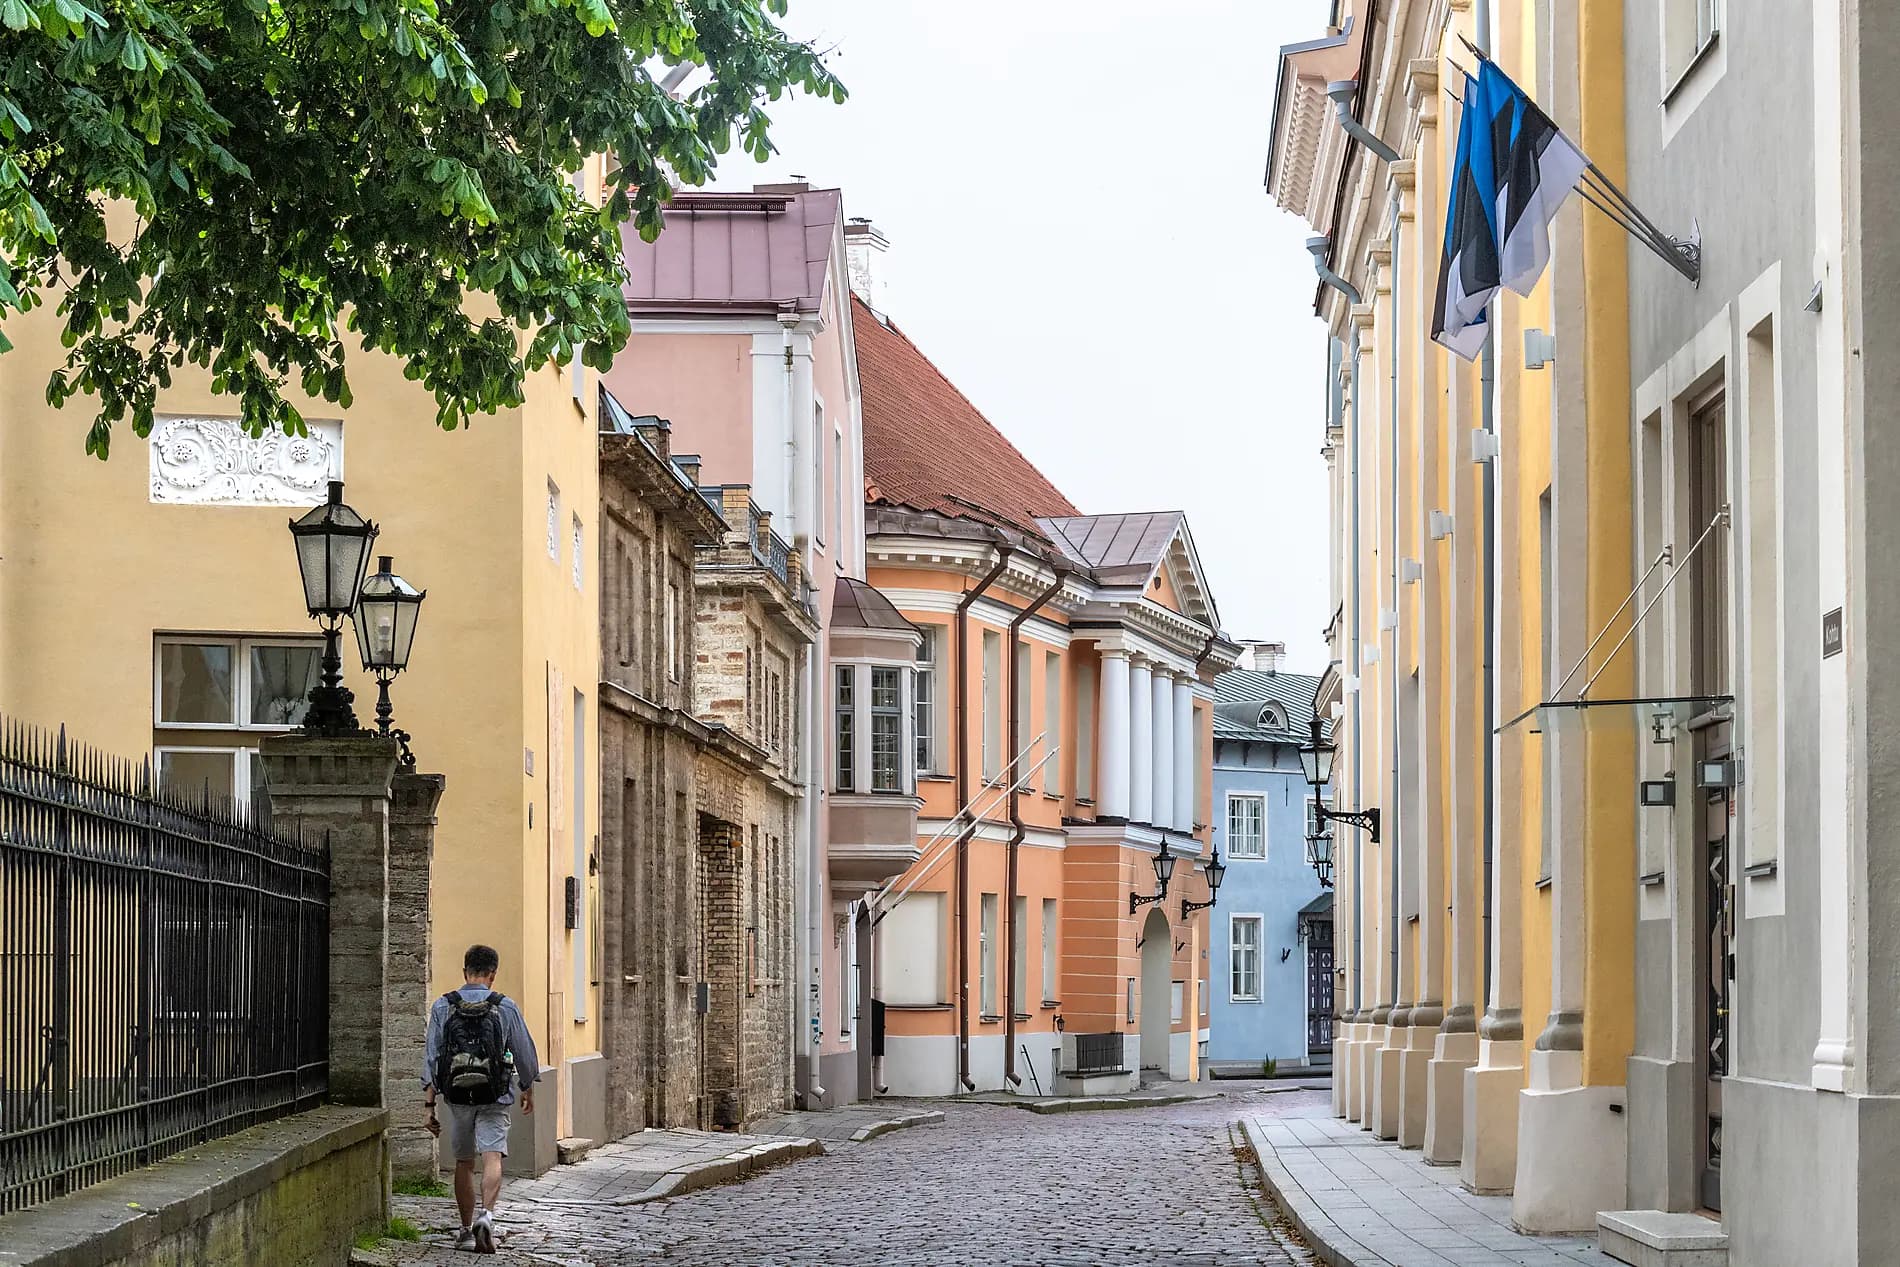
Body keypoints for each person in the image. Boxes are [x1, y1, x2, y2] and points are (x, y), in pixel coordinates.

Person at [422, 944, 539, 1254]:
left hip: (458, 1097)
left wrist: (429, 1105)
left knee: (463, 1161)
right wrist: (527, 1087)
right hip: (495, 1095)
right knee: (492, 1155)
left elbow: (432, 1057)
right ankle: (486, 1216)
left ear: (465, 972)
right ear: (493, 974)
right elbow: (524, 1051)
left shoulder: (443, 1006)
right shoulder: (505, 1007)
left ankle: (464, 1230)